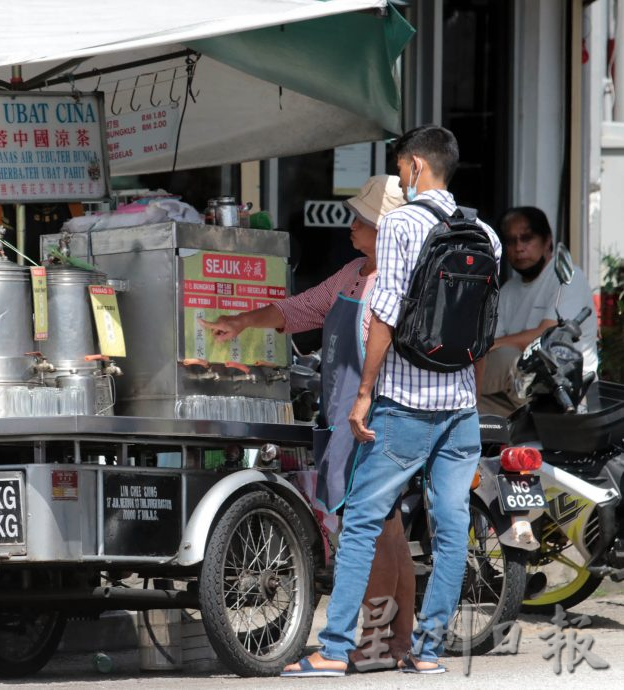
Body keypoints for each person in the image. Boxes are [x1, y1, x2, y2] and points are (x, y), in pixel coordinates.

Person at [281, 125, 501, 677]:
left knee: (361, 521)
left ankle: (334, 650)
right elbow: (482, 330)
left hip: (404, 404)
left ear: (416, 167)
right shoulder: (486, 234)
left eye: (402, 168)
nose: (402, 178)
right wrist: (469, 396)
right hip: (460, 408)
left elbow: (384, 314)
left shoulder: (401, 223)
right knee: (450, 529)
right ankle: (427, 651)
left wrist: (363, 394)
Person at [199, 174, 415, 671]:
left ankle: (374, 643)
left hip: (372, 419)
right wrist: (242, 322)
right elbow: (301, 309)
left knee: (372, 533)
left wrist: (364, 404)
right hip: (350, 416)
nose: (351, 227)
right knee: (391, 531)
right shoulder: (354, 273)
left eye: (361, 220)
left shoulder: (391, 282)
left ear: (384, 230)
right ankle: (398, 643)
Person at [479, 206, 598, 415]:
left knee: (506, 357)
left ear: (547, 240)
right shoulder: (507, 291)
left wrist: (492, 345)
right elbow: (493, 346)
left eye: (526, 238)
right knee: (469, 406)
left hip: (568, 389)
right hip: (520, 394)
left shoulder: (567, 277)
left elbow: (546, 337)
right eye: (511, 241)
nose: (519, 247)